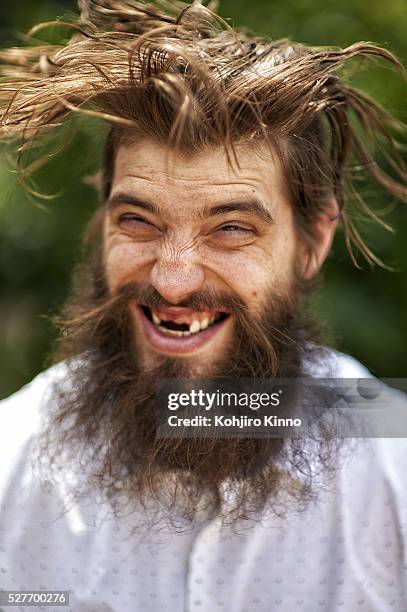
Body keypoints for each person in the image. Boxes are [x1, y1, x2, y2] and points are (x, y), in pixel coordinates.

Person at [0, 1, 406, 610]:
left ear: (312, 241)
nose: (173, 279)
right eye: (138, 220)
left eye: (232, 229)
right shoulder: (11, 464)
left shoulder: (394, 477)